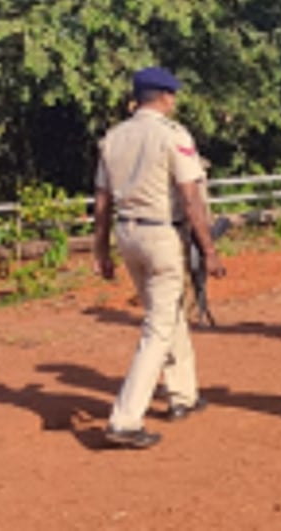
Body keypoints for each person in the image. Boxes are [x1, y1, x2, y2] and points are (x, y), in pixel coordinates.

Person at [92, 67, 226, 449]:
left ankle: (184, 394)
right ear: (166, 97)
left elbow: (101, 202)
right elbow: (190, 196)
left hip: (126, 233)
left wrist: (100, 250)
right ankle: (126, 418)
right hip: (162, 234)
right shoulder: (173, 135)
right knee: (158, 326)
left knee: (168, 314)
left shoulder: (113, 137)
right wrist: (209, 249)